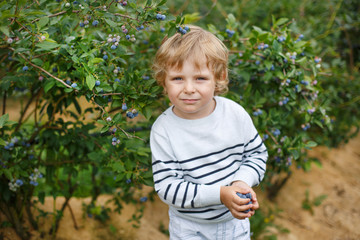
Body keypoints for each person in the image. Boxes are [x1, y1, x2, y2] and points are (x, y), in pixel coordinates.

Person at [150, 25, 268, 240]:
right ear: (163, 80)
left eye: (200, 78)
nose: (188, 88)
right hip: (190, 228)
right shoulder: (164, 130)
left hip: (235, 225)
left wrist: (241, 182)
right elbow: (168, 187)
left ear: (219, 77)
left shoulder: (234, 114)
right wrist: (220, 194)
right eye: (177, 78)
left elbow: (256, 154)